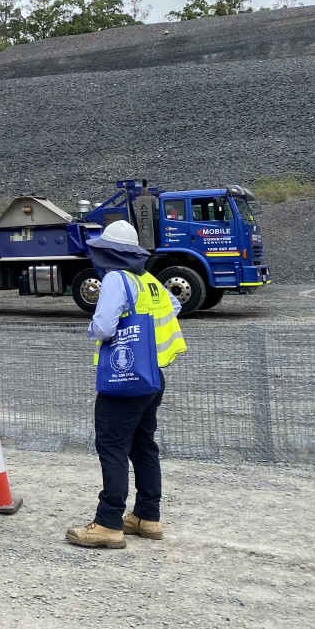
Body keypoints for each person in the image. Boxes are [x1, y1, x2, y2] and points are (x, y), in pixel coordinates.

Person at [66, 220, 187, 550]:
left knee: (113, 446)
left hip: (125, 380)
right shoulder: (147, 280)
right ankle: (147, 516)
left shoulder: (117, 279)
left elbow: (104, 326)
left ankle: (107, 523)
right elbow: (173, 306)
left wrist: (94, 330)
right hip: (152, 377)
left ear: (109, 252)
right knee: (143, 446)